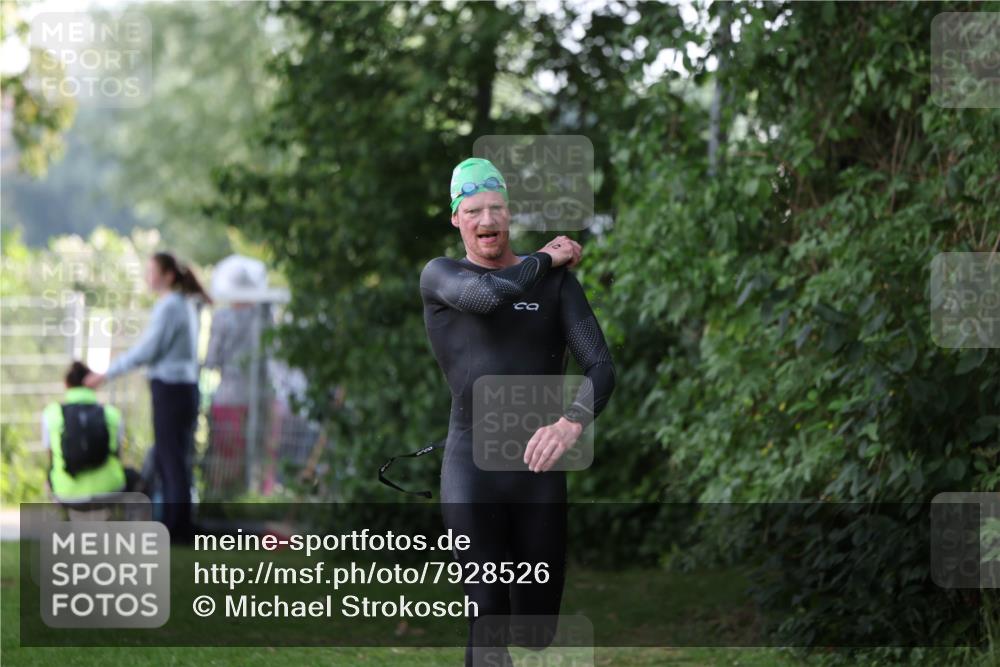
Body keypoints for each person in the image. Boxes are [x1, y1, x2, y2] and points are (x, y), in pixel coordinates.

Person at [419, 157, 616, 666]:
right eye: (475, 210)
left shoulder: (555, 286)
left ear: (509, 214)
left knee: (535, 628)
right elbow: (486, 299)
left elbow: (600, 366)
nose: (487, 221)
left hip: (539, 471)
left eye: (496, 209)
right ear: (456, 219)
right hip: (471, 468)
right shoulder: (443, 276)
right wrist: (547, 258)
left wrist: (572, 421)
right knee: (486, 613)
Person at [85, 252, 210, 543]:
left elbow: (147, 351)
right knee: (176, 457)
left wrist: (106, 374)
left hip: (171, 389)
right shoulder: (184, 305)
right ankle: (178, 523)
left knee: (170, 458)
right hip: (184, 388)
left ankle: (175, 527)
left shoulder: (170, 307)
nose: (147, 276)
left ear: (168, 275)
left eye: (152, 270)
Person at [42, 361, 144, 504]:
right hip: (109, 490)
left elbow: (51, 458)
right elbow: (119, 455)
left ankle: (61, 522)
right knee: (134, 477)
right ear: (92, 384)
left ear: (66, 384)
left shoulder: (51, 414)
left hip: (67, 493)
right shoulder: (112, 414)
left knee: (50, 478)